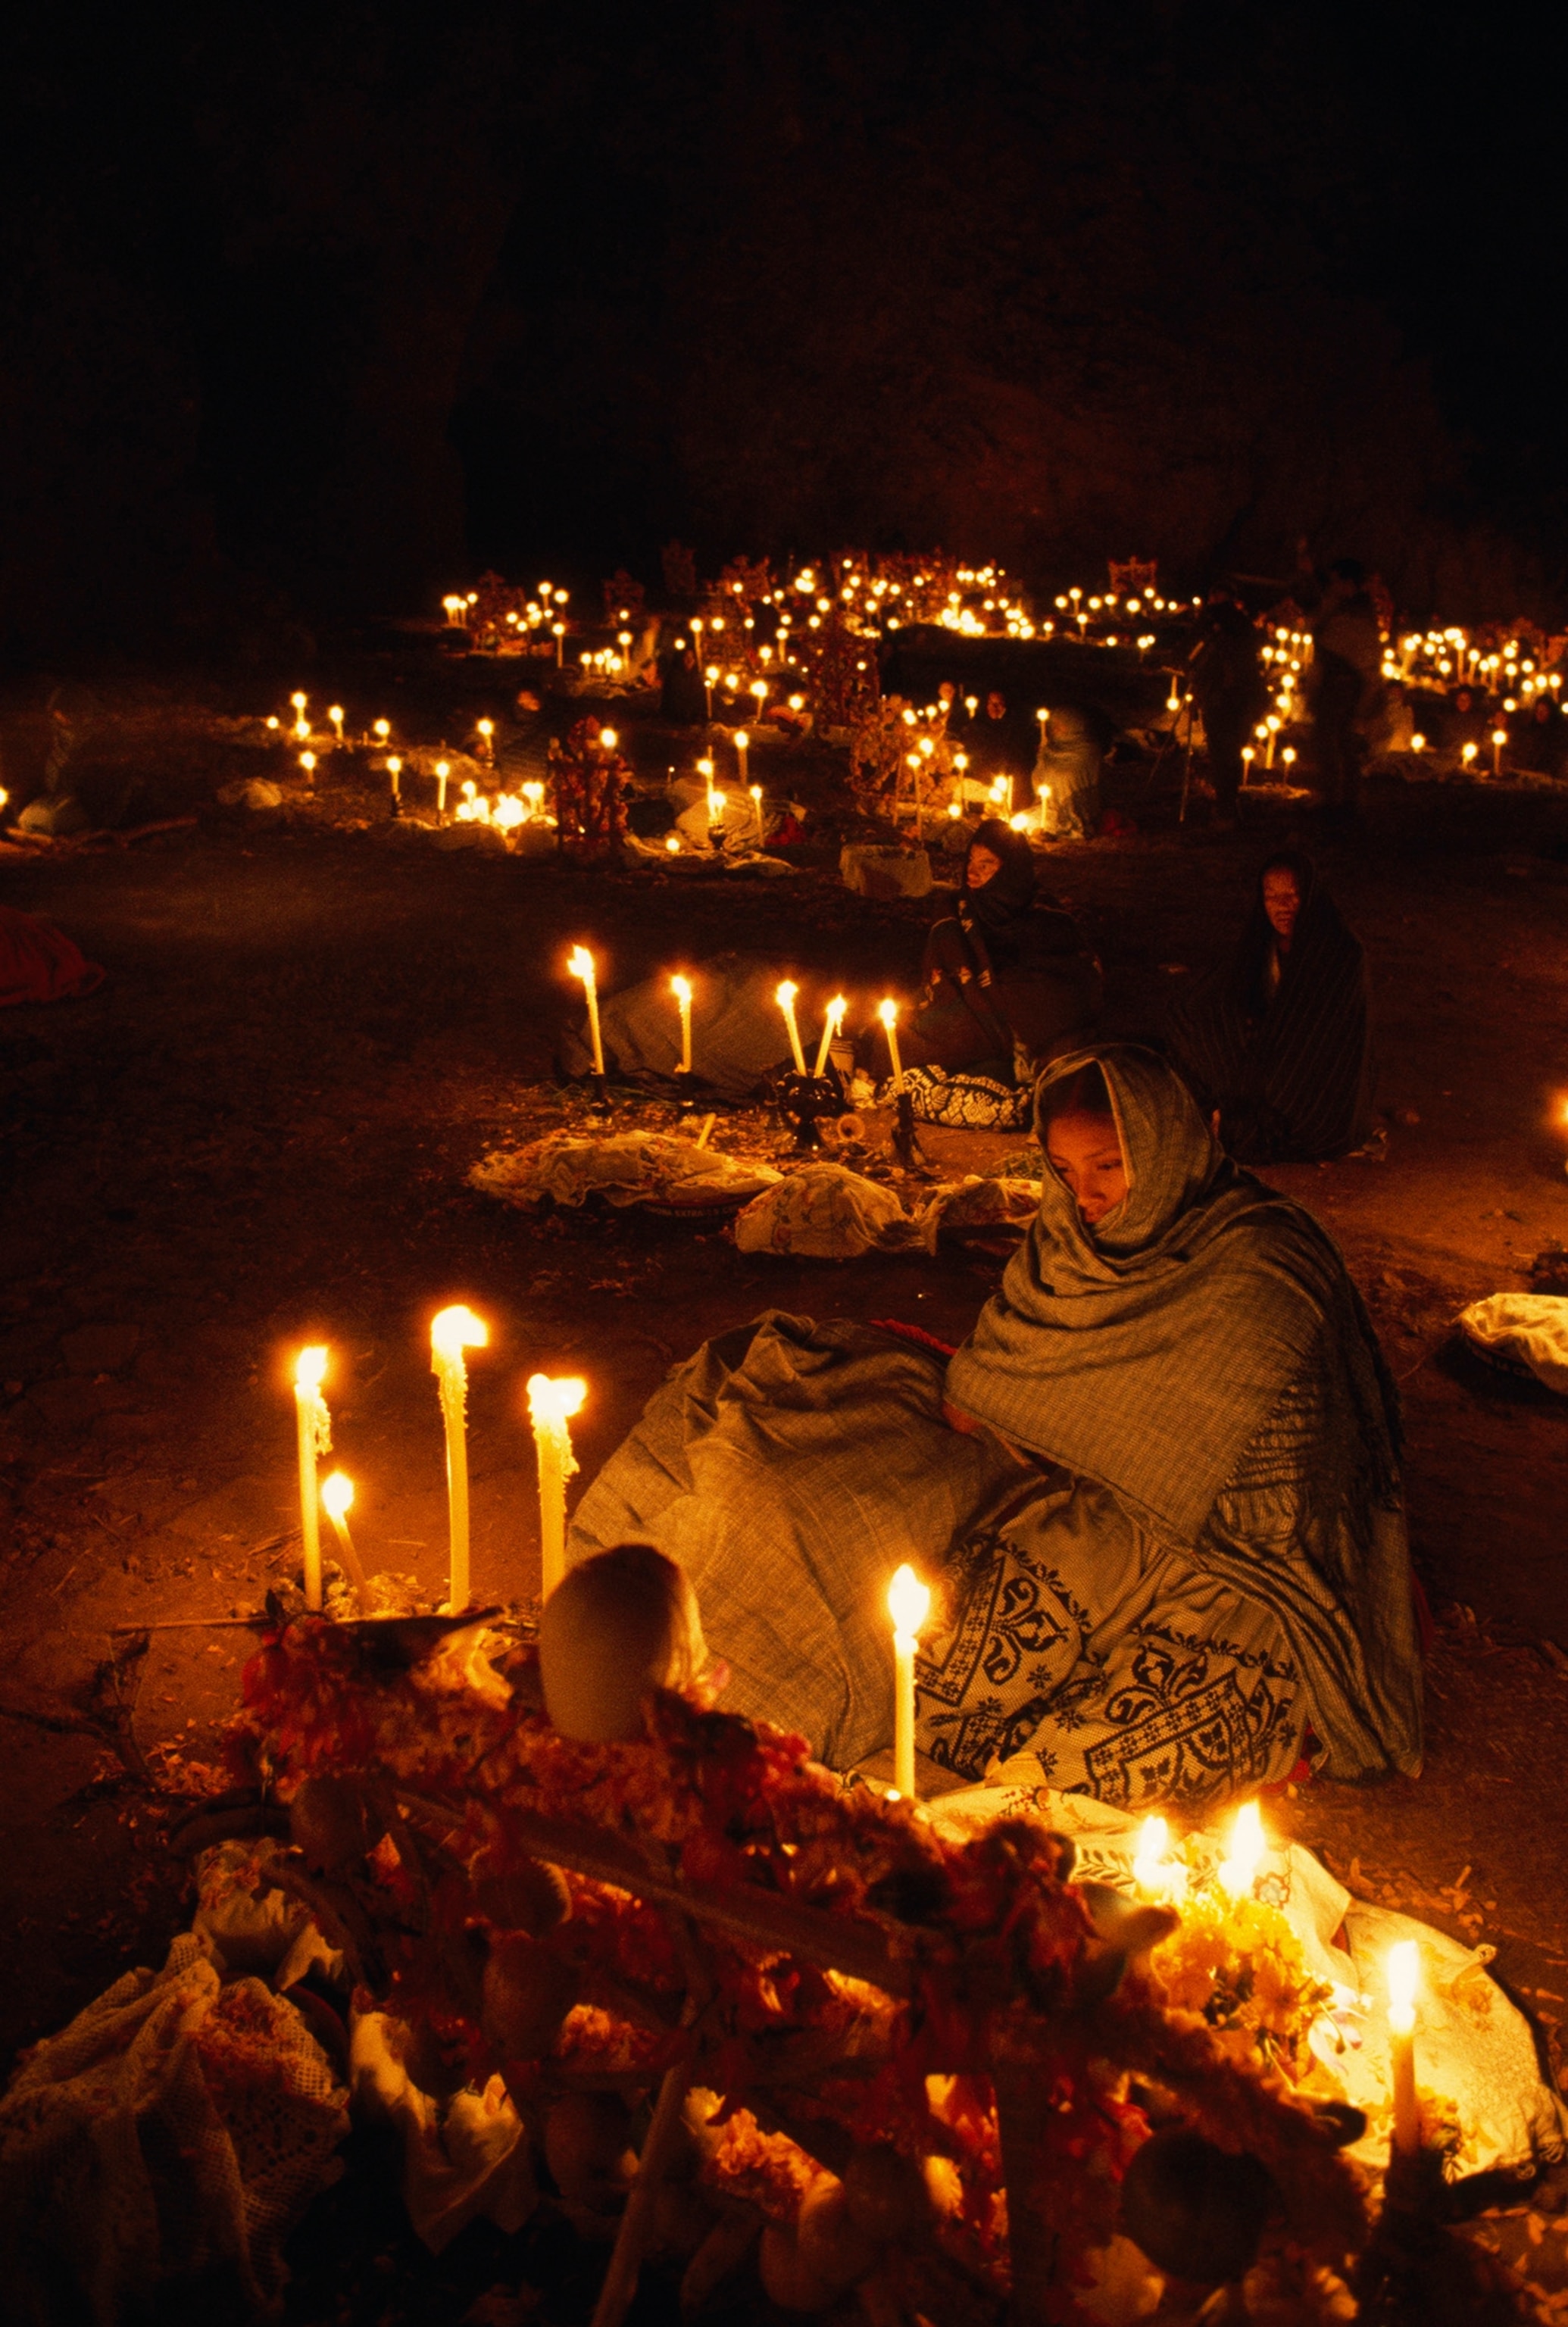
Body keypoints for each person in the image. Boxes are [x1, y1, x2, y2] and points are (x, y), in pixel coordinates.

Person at [570, 1046, 1421, 1814]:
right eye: (1063, 1170)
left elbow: (1271, 1475)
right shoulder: (1069, 1238)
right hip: (1090, 1510)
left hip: (1244, 1562)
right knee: (935, 1662)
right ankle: (804, 1775)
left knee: (1103, 1746)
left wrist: (1061, 1420)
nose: (1085, 1198)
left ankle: (967, 1827)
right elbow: (984, 1383)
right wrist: (1058, 1421)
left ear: (1172, 1151)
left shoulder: (1265, 1269)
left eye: (1111, 1169)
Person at [1165, 849, 1373, 1164]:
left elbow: (1325, 1039)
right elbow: (1226, 991)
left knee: (1271, 1109)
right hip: (1265, 1058)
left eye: (1293, 895)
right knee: (1187, 1020)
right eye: (1271, 896)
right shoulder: (1262, 944)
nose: (1282, 906)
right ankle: (1228, 1111)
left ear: (1312, 896)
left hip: (1310, 1080)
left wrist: (1266, 1050)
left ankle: (1235, 1115)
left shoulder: (1341, 953)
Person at [903, 818, 1101, 1089]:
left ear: (1011, 869)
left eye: (987, 865)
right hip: (970, 1002)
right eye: (971, 861)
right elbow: (942, 970)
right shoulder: (955, 909)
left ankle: (1005, 1057)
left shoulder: (1046, 916)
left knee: (1049, 1016)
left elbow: (1070, 974)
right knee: (906, 1033)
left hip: (1023, 1001)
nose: (972, 872)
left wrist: (1005, 991)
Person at [1304, 558, 1382, 818]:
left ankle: (1340, 801)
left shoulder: (1355, 615)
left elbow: (1359, 654)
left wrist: (1366, 696)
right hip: (1335, 684)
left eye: (1337, 581)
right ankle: (1336, 798)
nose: (1332, 586)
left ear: (1348, 583)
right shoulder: (1341, 609)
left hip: (1344, 687)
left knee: (1339, 744)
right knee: (1331, 743)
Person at [1189, 588, 1267, 829]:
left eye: (1213, 596)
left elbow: (1194, 658)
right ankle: (1228, 802)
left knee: (1223, 753)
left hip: (1222, 697)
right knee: (1232, 752)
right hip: (1244, 697)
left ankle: (1225, 809)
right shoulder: (1245, 626)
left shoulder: (1214, 628)